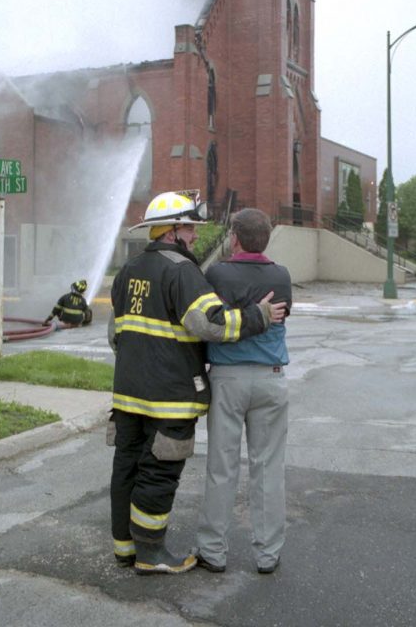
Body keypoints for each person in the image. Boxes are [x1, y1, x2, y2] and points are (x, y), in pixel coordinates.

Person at [108, 191, 286, 576]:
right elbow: (211, 324)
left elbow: (115, 335)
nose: (194, 235)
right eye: (189, 227)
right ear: (171, 230)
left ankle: (125, 548)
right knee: (158, 472)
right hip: (168, 398)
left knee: (127, 467)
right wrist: (258, 315)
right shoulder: (182, 271)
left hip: (128, 395)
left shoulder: (128, 270)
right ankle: (151, 554)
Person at [195, 208, 292, 574]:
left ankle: (213, 551)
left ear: (234, 238)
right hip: (270, 378)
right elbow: (280, 314)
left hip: (228, 379)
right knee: (268, 468)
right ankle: (268, 554)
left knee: (221, 466)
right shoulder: (281, 275)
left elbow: (212, 320)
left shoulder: (218, 274)